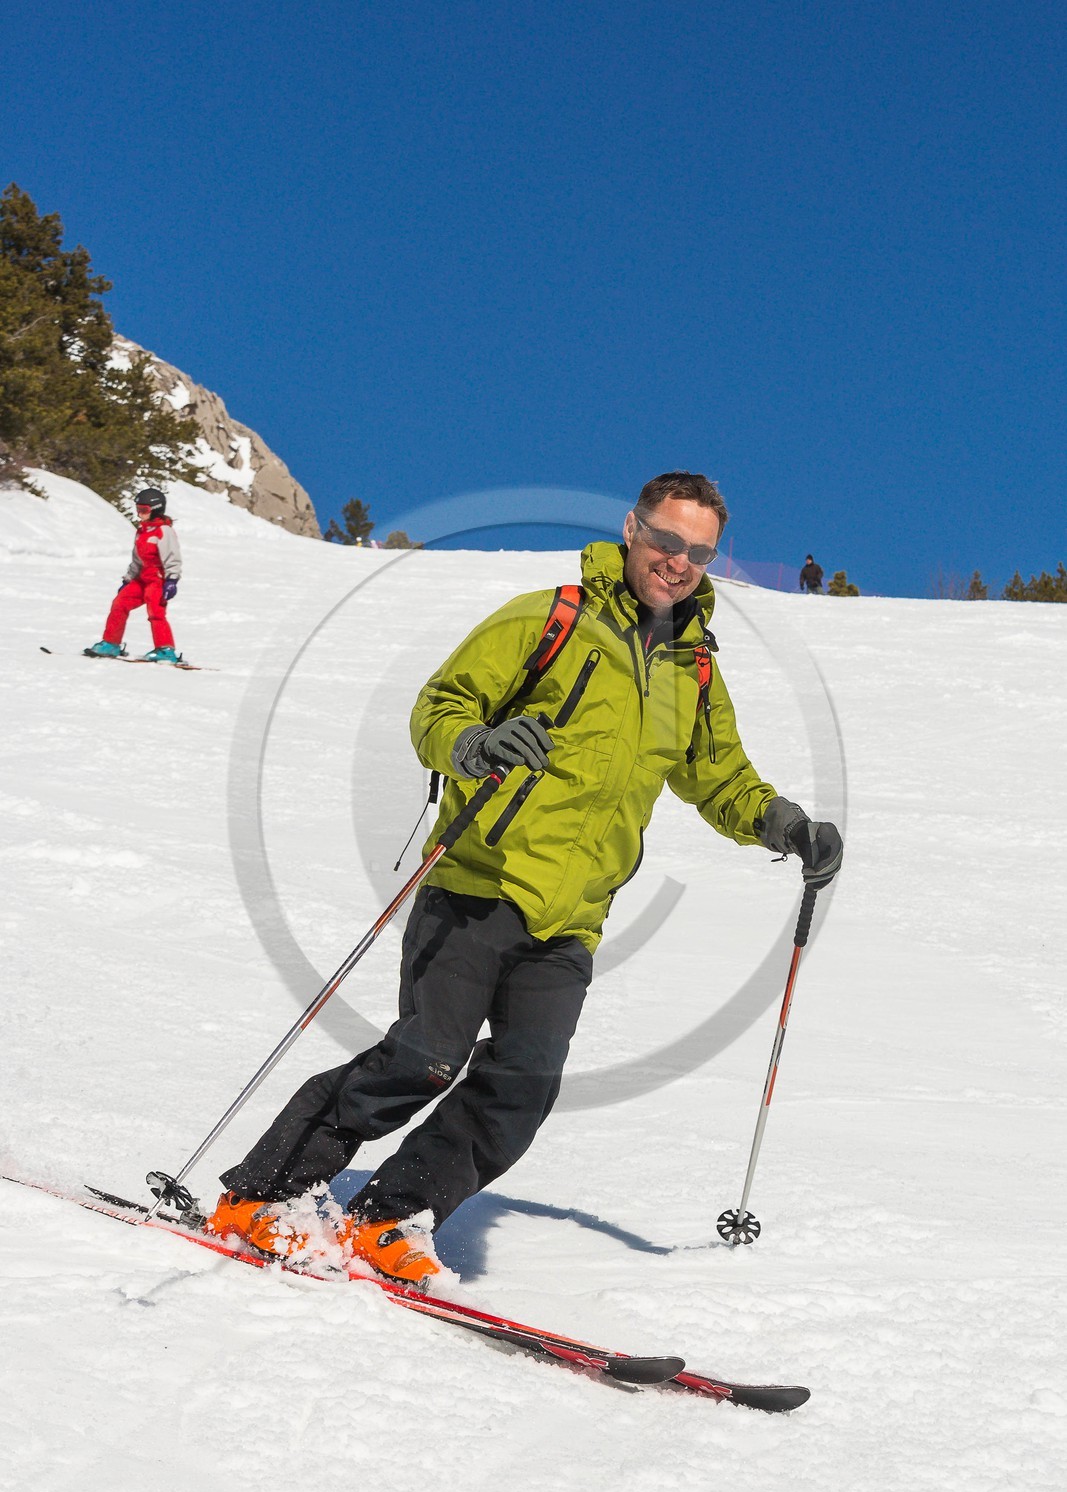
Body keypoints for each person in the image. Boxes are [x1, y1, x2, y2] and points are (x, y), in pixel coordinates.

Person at [207, 471, 844, 1286]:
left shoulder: (694, 669)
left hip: (570, 919)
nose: (677, 562)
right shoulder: (552, 618)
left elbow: (719, 778)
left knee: (520, 1087)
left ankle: (389, 1216)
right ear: (631, 528)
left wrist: (785, 825)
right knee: (424, 1059)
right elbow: (441, 706)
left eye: (698, 551)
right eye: (665, 539)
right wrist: (473, 747)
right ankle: (262, 1197)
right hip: (476, 882)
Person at [85, 488, 182, 662]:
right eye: (138, 509)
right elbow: (137, 559)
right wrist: (128, 579)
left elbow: (172, 558)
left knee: (156, 612)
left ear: (156, 509)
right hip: (141, 579)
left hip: (157, 581)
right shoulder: (142, 531)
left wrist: (172, 580)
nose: (140, 514)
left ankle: (166, 650)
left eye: (143, 510)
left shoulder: (164, 531)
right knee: (119, 604)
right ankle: (111, 644)